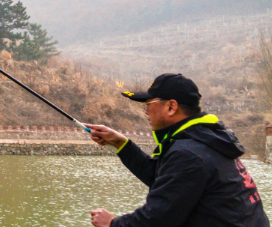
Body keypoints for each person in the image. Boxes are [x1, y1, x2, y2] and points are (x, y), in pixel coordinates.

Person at [86, 73, 267, 227]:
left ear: (171, 107)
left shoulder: (188, 153)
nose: (146, 111)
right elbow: (162, 178)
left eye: (148, 104)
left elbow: (156, 219)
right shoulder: (205, 141)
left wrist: (112, 223)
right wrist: (121, 143)